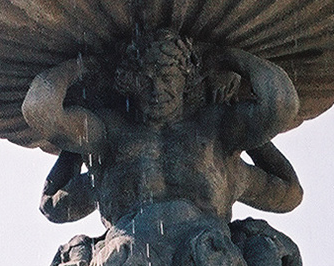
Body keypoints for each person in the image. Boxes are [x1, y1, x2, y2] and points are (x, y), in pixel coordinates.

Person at [22, 30, 302, 229]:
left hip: (206, 265)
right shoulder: (110, 133)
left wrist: (227, 58)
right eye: (145, 80)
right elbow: (41, 111)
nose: (156, 90)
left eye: (167, 78)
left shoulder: (215, 131)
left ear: (188, 79)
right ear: (130, 82)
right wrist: (83, 67)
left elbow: (280, 105)